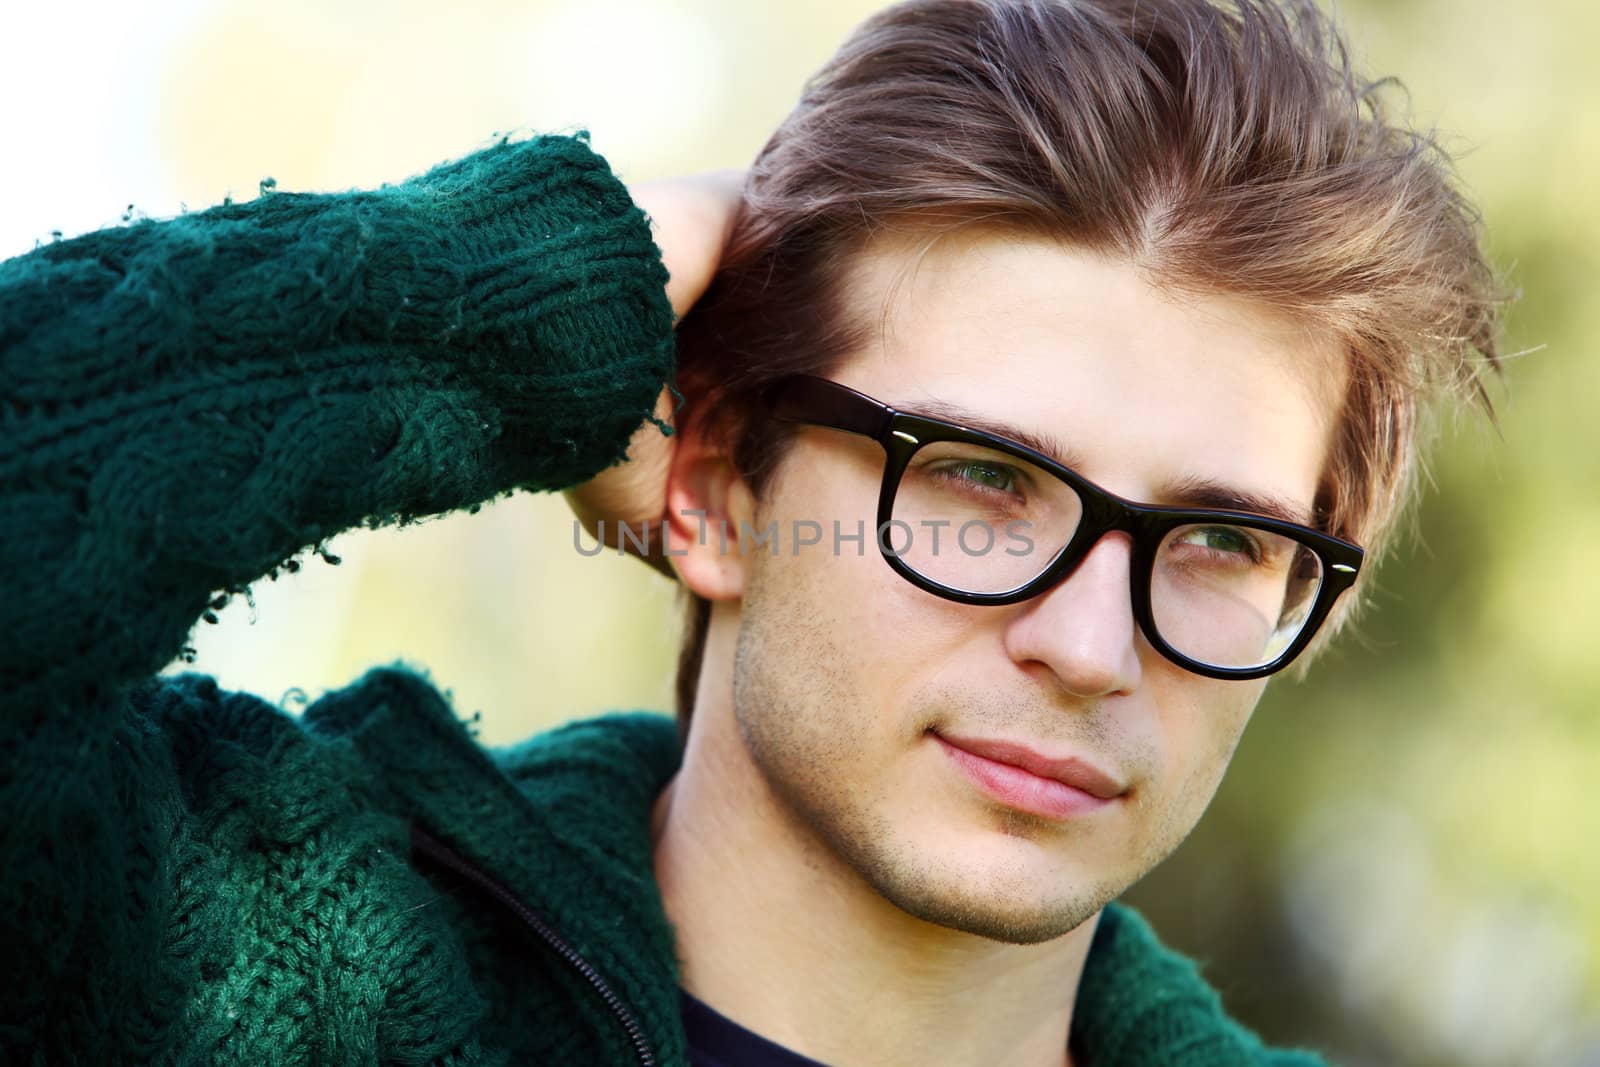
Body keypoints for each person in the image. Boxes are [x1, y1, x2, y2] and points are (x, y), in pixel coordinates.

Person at [0, 0, 1501, 1064]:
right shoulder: (261, 960)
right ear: (715, 482)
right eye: (979, 479)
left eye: (1221, 544)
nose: (1091, 646)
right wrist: (529, 305)